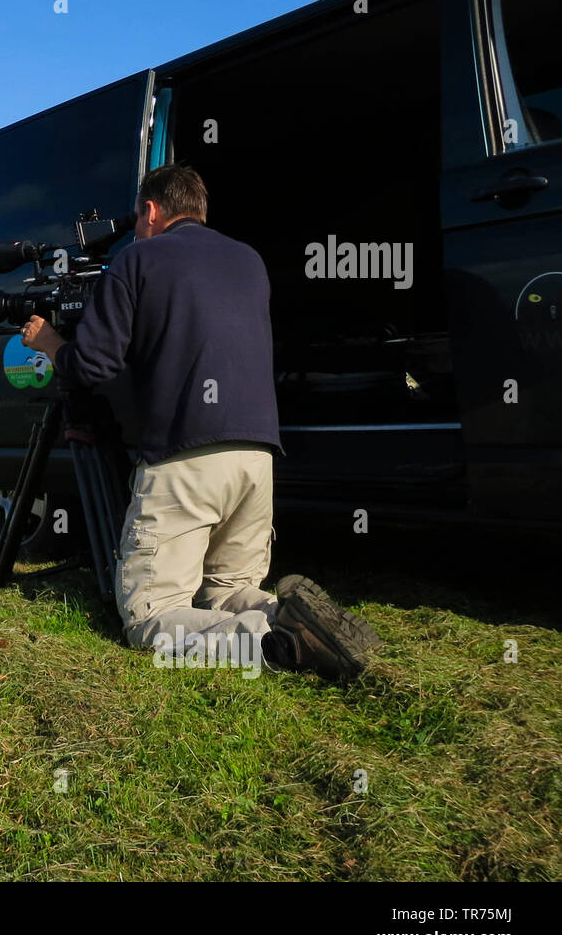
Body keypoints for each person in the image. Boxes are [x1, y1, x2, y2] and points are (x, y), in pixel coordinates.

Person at [20, 164, 381, 681]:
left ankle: (276, 643)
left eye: (138, 218)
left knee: (151, 617)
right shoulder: (248, 260)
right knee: (226, 589)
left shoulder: (136, 258)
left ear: (150, 210)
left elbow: (93, 366)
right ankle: (286, 614)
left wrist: (50, 342)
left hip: (187, 455)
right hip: (257, 457)